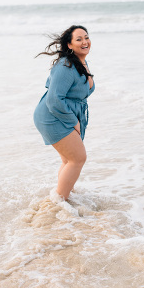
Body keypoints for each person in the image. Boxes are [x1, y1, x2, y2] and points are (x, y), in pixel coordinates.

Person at [33, 25, 95, 201]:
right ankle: (58, 202)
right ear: (69, 44)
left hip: (62, 113)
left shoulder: (81, 61)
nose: (85, 42)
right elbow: (54, 99)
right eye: (79, 39)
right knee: (78, 158)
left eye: (86, 37)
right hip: (52, 115)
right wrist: (73, 121)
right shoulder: (65, 66)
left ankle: (63, 195)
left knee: (69, 160)